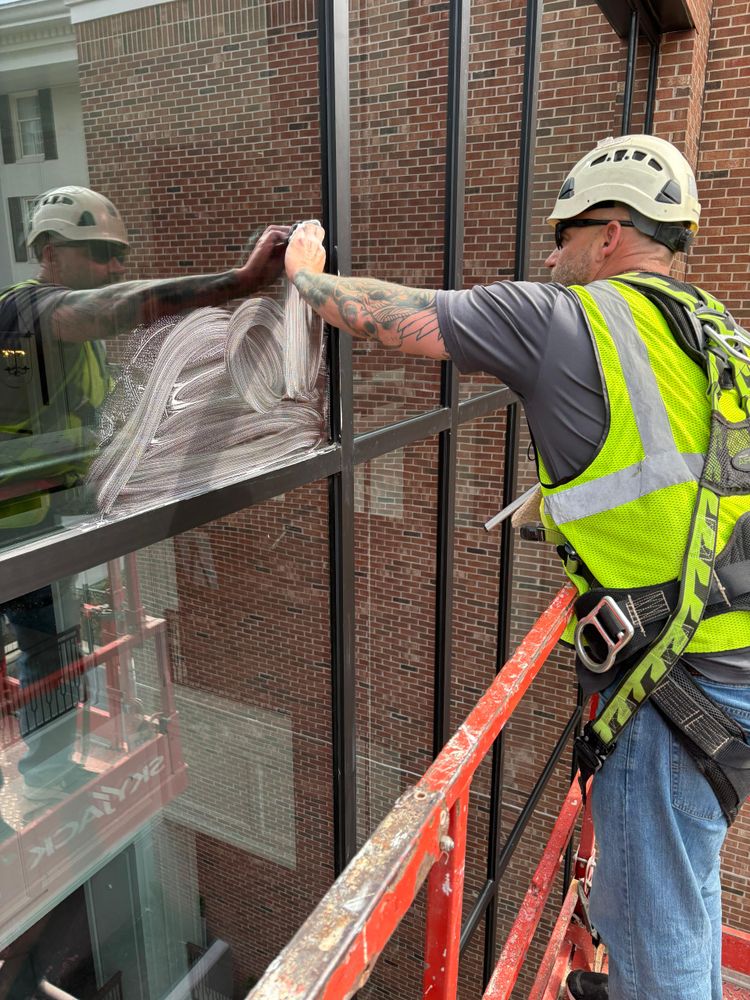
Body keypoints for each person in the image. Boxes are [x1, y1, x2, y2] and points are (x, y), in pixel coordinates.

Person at [283, 135, 750, 1000]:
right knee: (673, 874)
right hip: (731, 663)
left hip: (678, 685)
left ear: (610, 233)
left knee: (662, 923)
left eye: (564, 234)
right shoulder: (720, 337)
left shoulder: (565, 317)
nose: (550, 253)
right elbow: (693, 483)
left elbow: (391, 313)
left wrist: (304, 274)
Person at [0, 185, 290, 808]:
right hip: (10, 530)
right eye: (99, 253)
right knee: (44, 644)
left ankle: (48, 771)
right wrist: (237, 284)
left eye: (119, 254)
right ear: (49, 252)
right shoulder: (24, 312)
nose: (116, 266)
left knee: (53, 648)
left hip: (38, 527)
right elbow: (111, 307)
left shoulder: (69, 344)